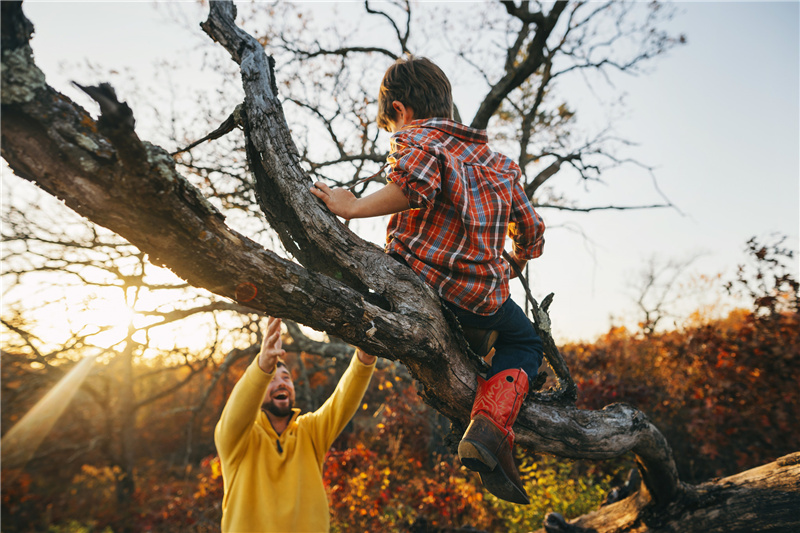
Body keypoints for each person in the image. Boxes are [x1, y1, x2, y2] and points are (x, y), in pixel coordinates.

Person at [310, 56, 545, 505]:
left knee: (504, 352)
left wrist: (352, 205)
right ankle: (491, 427)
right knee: (524, 343)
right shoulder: (500, 164)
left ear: (399, 110)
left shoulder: (415, 137)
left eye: (390, 125)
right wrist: (516, 259)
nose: (393, 135)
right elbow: (532, 233)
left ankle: (489, 433)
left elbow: (414, 185)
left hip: (417, 284)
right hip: (480, 300)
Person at [215, 316, 376, 532]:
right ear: (258, 387)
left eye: (285, 377)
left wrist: (363, 360)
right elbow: (236, 412)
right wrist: (262, 367)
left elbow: (342, 402)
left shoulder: (309, 433)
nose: (280, 382)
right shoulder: (238, 440)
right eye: (271, 378)